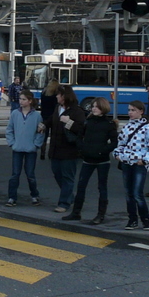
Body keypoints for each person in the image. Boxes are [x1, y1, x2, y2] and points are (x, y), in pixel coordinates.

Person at [64, 97, 118, 224]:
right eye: (93, 106)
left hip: (102, 160)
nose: (94, 108)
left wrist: (102, 150)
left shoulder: (108, 124)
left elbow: (115, 142)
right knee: (81, 185)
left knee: (102, 187)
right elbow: (79, 137)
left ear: (103, 108)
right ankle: (76, 212)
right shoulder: (87, 122)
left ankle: (101, 214)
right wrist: (82, 149)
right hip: (88, 158)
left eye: (97, 107)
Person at [113, 100, 149, 230]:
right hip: (127, 163)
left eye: (133, 110)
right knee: (129, 193)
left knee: (137, 193)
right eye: (129, 110)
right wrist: (117, 154)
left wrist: (145, 161)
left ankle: (146, 220)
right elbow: (120, 144)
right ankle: (132, 219)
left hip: (139, 164)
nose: (130, 113)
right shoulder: (127, 127)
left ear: (141, 111)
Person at [49, 84, 86, 213]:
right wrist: (43, 124)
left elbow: (82, 129)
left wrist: (69, 122)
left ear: (64, 97)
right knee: (57, 174)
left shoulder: (77, 111)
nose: (56, 97)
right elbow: (52, 121)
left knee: (67, 177)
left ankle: (64, 203)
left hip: (69, 150)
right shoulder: (57, 108)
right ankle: (69, 196)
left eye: (58, 95)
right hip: (55, 149)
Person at [5, 89, 44, 207]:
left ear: (30, 101)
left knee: (30, 174)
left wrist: (36, 145)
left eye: (23, 99)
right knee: (15, 174)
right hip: (17, 149)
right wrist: (12, 143)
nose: (20, 101)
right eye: (20, 99)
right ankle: (12, 197)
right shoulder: (15, 114)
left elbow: (40, 132)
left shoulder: (37, 115)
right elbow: (9, 130)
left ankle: (34, 195)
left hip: (30, 150)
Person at [39, 80, 59, 160]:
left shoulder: (43, 92)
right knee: (53, 135)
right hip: (53, 116)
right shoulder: (55, 94)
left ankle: (42, 153)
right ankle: (51, 153)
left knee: (44, 135)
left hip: (44, 115)